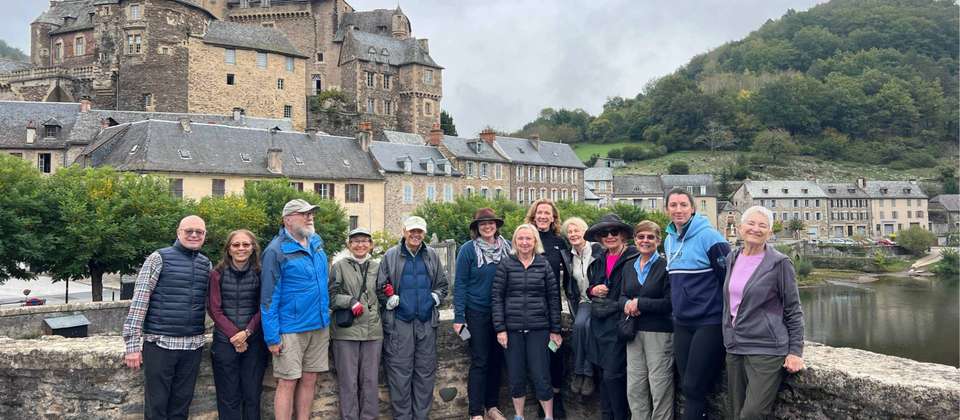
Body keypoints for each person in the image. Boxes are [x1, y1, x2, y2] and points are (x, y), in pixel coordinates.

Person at [122, 215, 211, 420]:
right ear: (178, 233)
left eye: (199, 232)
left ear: (205, 235)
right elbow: (140, 301)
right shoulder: (158, 258)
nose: (194, 235)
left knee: (181, 408)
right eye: (189, 231)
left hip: (193, 345)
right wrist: (132, 345)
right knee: (157, 408)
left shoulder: (205, 263)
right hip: (160, 344)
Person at [723, 206, 805, 419]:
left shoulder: (779, 263)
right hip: (735, 346)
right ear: (740, 228)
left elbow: (793, 309)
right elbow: (730, 303)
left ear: (769, 232)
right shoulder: (732, 258)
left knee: (752, 413)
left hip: (766, 348)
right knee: (734, 412)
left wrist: (795, 351)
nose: (756, 229)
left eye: (762, 225)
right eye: (751, 223)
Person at [662, 188, 731, 420]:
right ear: (666, 209)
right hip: (682, 322)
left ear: (692, 208)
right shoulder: (669, 240)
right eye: (673, 205)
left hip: (709, 322)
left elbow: (729, 280)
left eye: (683, 205)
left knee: (693, 385)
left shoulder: (710, 237)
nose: (678, 209)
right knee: (688, 384)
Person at [261, 199, 331, 420]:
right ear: (288, 220)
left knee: (310, 379)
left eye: (311, 213)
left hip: (319, 325)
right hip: (291, 329)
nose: (310, 217)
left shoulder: (316, 242)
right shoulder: (275, 250)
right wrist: (272, 337)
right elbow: (268, 297)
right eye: (304, 214)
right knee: (287, 382)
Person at [377, 216, 449, 420]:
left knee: (425, 374)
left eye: (419, 231)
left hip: (426, 322)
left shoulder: (431, 255)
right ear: (404, 232)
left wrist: (434, 298)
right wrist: (389, 298)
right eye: (412, 231)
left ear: (424, 233)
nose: (416, 235)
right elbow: (380, 286)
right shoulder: (391, 255)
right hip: (399, 323)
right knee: (399, 375)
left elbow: (442, 285)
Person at [492, 224, 563, 420]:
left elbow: (553, 298)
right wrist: (500, 329)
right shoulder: (506, 264)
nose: (524, 242)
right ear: (515, 241)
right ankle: (519, 416)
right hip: (512, 330)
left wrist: (555, 330)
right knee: (516, 376)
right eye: (520, 238)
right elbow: (497, 298)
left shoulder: (543, 264)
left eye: (528, 238)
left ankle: (548, 416)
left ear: (535, 241)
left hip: (539, 328)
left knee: (541, 375)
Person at [453, 208, 510, 420]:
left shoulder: (507, 247)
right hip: (476, 312)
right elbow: (460, 284)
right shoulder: (468, 250)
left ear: (496, 225)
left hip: (501, 313)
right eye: (482, 224)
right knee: (480, 360)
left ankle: (492, 406)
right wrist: (459, 317)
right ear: (477, 228)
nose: (487, 226)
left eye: (491, 223)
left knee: (497, 359)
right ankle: (476, 412)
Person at [208, 229, 268, 420]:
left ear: (253, 248)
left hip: (254, 341)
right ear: (229, 249)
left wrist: (247, 332)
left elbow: (264, 306)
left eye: (246, 244)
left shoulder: (261, 273)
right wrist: (235, 335)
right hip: (224, 342)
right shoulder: (216, 274)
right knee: (228, 396)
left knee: (252, 395)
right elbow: (214, 309)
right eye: (236, 244)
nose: (241, 248)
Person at [584, 214, 639, 420]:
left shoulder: (633, 258)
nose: (609, 236)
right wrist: (593, 290)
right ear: (599, 238)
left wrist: (616, 305)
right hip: (600, 325)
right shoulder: (600, 259)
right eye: (604, 233)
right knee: (603, 375)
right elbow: (591, 287)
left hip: (620, 323)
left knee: (613, 375)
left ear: (623, 235)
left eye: (614, 231)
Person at [620, 221, 674, 420]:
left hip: (658, 332)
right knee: (635, 387)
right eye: (641, 237)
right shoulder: (629, 266)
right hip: (633, 332)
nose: (645, 241)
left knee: (659, 386)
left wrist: (640, 303)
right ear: (635, 240)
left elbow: (670, 303)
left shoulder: (666, 266)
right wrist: (627, 303)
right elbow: (622, 295)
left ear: (658, 241)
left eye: (650, 237)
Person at [329, 227, 383, 420]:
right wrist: (350, 301)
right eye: (356, 241)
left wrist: (389, 292)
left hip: (372, 331)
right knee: (348, 381)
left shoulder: (378, 267)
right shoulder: (339, 267)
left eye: (364, 241)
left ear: (371, 244)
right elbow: (331, 296)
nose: (360, 245)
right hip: (346, 332)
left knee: (370, 381)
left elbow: (382, 294)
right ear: (349, 245)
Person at [524, 198, 569, 417]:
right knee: (534, 358)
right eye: (539, 212)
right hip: (528, 308)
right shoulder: (526, 239)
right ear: (533, 216)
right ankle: (542, 403)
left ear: (553, 218)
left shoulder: (559, 242)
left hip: (551, 306)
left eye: (547, 213)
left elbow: (570, 273)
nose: (543, 216)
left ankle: (556, 398)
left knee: (555, 352)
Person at [559, 217, 602, 397]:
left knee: (588, 326)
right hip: (584, 301)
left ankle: (587, 373)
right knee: (578, 326)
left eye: (577, 230)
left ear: (585, 232)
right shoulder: (568, 255)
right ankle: (579, 372)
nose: (573, 234)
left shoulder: (598, 250)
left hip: (600, 300)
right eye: (570, 232)